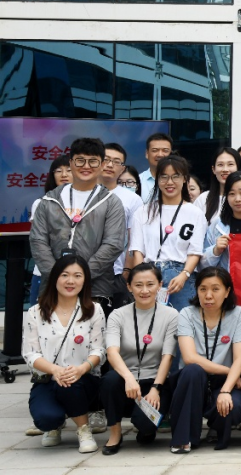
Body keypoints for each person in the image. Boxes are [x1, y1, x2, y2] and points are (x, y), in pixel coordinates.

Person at [29, 138, 127, 311]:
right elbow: (38, 241)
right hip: (52, 288)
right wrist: (58, 276)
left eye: (93, 161)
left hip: (95, 289)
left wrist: (80, 276)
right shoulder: (49, 200)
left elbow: (113, 244)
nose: (86, 166)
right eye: (80, 160)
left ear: (102, 164)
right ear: (71, 162)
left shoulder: (111, 202)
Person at [22, 255, 106, 453]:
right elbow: (30, 354)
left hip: (83, 380)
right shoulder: (35, 312)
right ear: (55, 278)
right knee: (46, 419)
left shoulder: (94, 310)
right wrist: (55, 370)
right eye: (65, 275)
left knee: (70, 383)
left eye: (77, 276)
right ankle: (55, 425)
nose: (71, 281)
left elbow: (99, 351)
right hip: (48, 380)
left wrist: (81, 369)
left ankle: (84, 429)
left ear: (85, 280)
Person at [100, 263, 179, 453]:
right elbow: (112, 352)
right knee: (110, 380)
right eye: (138, 285)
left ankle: (146, 429)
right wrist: (128, 378)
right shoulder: (117, 315)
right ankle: (115, 433)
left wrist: (156, 388)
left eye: (150, 284)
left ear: (160, 285)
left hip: (154, 382)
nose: (144, 291)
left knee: (145, 424)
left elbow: (168, 356)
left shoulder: (171, 315)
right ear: (129, 287)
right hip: (125, 382)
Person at [169, 267, 241, 452]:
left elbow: (240, 359)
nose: (208, 295)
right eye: (203, 289)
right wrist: (230, 371)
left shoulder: (238, 314)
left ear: (227, 291)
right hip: (193, 380)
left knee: (235, 407)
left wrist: (226, 390)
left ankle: (216, 426)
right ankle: (183, 439)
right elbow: (189, 357)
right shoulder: (187, 314)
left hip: (223, 381)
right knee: (193, 370)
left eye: (215, 289)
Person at [130, 156, 206, 310]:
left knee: (182, 322)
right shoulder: (142, 212)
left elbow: (195, 252)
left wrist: (184, 275)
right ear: (157, 180)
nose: (169, 182)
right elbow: (137, 251)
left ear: (184, 179)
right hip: (149, 276)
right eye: (164, 177)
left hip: (181, 277)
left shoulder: (195, 213)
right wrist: (141, 280)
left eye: (175, 176)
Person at [100, 143, 144, 297]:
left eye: (116, 161)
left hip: (117, 272)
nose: (110, 165)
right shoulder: (84, 193)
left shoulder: (132, 199)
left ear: (122, 168)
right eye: (106, 159)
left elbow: (134, 239)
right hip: (83, 271)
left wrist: (127, 270)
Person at [28, 155, 73, 304]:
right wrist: (54, 271)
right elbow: (39, 241)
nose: (64, 174)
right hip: (45, 273)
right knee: (41, 315)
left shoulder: (88, 203)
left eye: (69, 170)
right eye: (58, 171)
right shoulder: (41, 203)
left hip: (76, 274)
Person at [194, 147, 241, 223]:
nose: (225, 169)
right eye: (220, 165)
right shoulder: (203, 199)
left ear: (238, 168)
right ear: (213, 169)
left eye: (230, 164)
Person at [140, 133, 173, 203]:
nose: (160, 155)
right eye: (155, 150)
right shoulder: (138, 181)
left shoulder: (180, 181)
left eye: (165, 150)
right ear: (147, 154)